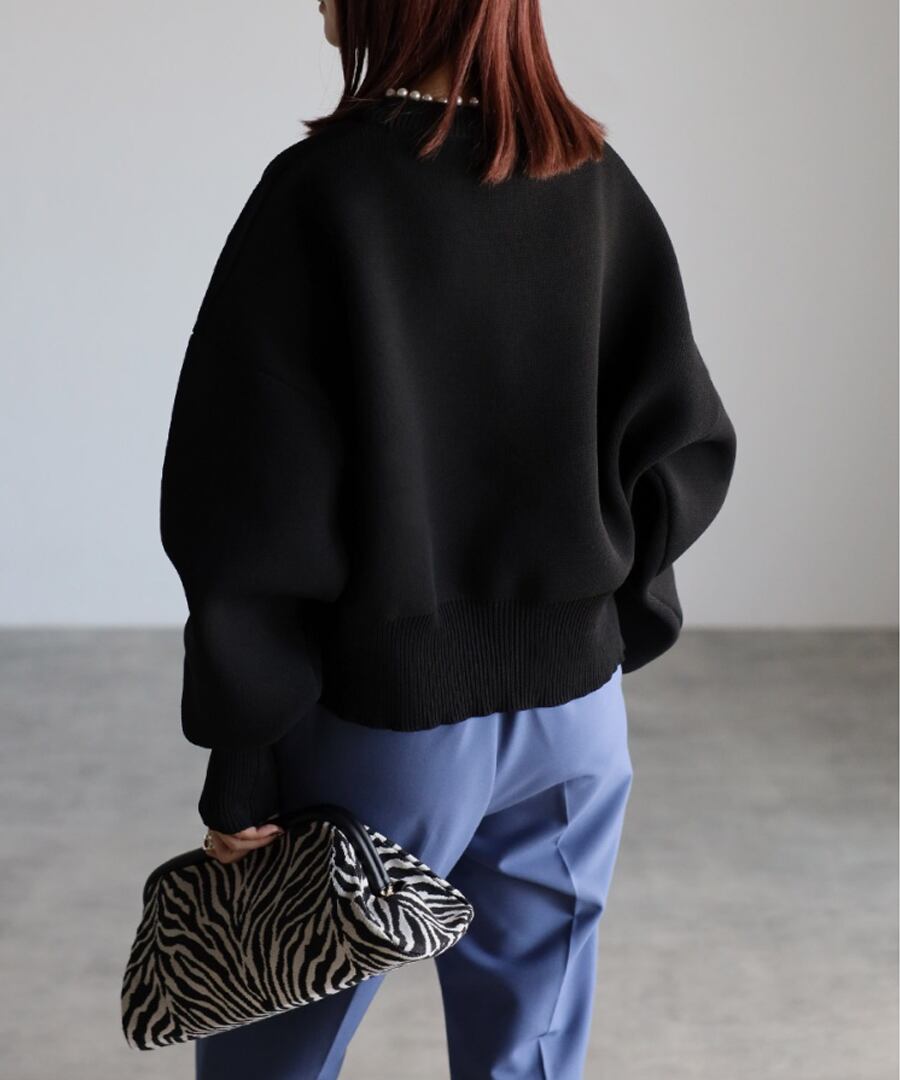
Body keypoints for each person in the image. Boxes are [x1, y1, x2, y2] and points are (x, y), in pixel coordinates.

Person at [157, 1, 738, 1076]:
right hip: (576, 725)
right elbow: (683, 448)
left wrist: (242, 767)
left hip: (382, 730)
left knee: (270, 1057)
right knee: (531, 1057)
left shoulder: (321, 195)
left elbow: (247, 510)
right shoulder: (594, 181)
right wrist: (591, 628)